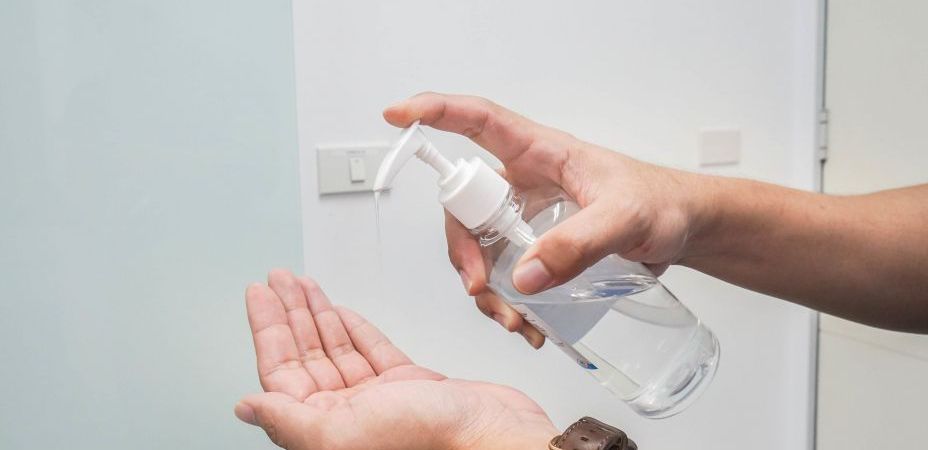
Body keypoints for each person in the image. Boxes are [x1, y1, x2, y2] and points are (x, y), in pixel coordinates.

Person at [234, 93, 928, 449]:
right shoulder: (519, 251)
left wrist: (473, 438)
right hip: (644, 378)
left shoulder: (549, 222)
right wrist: (685, 208)